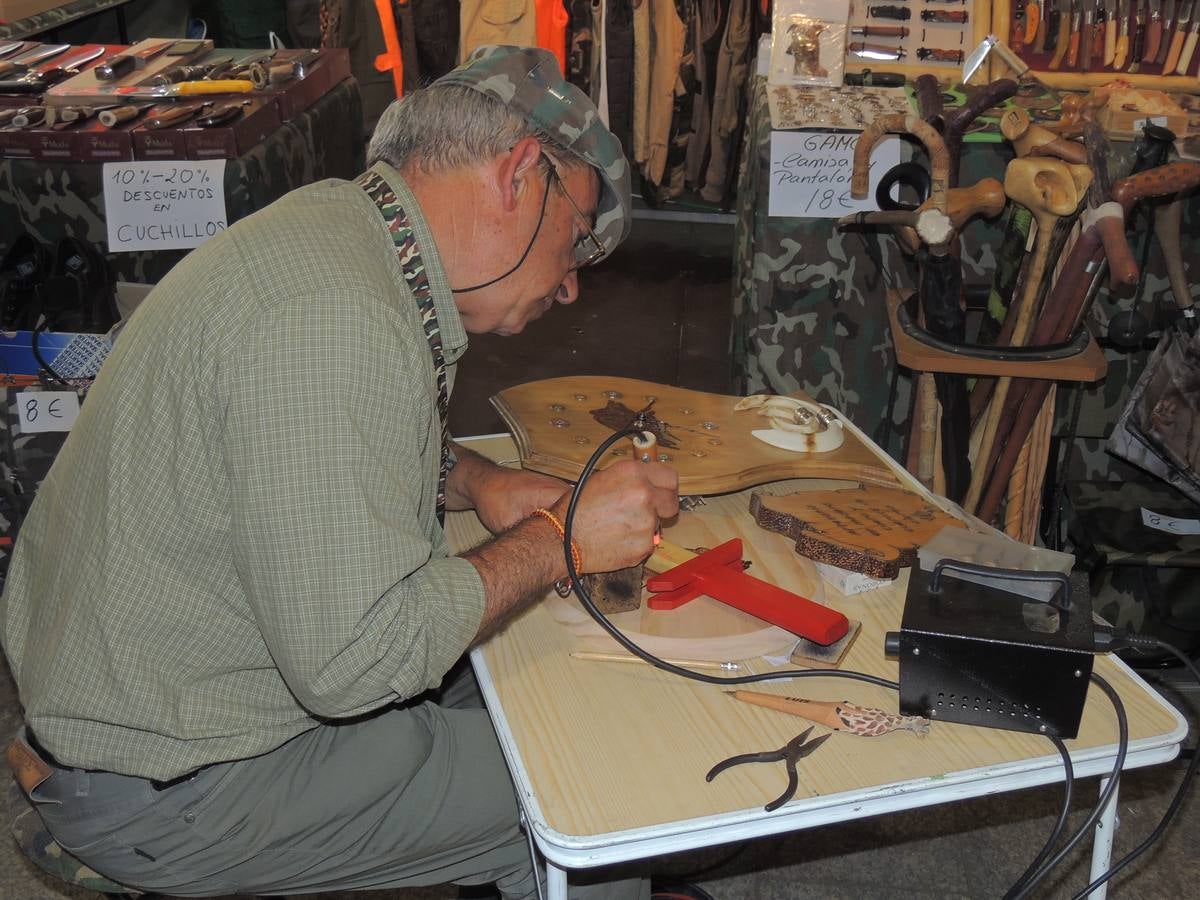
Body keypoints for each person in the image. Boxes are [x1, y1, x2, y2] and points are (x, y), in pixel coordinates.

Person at [1, 45, 678, 900]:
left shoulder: (335, 232)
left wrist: (475, 482)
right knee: (599, 785)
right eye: (577, 241)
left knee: (528, 683)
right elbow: (361, 661)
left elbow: (309, 448)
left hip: (141, 716)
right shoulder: (338, 319)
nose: (572, 286)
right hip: (178, 784)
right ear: (517, 175)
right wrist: (559, 541)